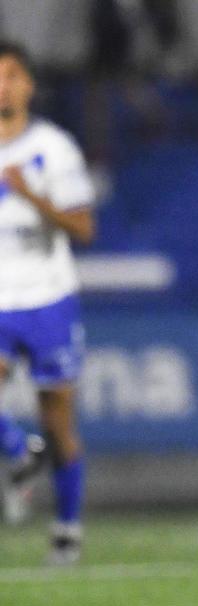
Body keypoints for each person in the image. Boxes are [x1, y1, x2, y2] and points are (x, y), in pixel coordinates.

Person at [0, 41, 95, 564]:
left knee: (57, 423)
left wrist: (31, 196)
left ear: (29, 85)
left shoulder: (53, 148)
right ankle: (18, 451)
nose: (3, 85)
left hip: (47, 297)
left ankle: (67, 528)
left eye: (12, 75)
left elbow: (83, 226)